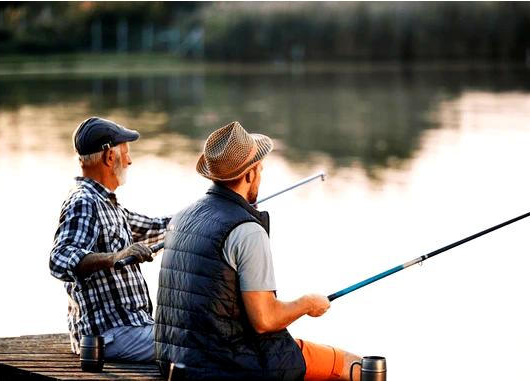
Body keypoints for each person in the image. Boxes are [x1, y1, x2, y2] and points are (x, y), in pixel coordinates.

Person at [155, 121, 361, 380]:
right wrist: (308, 303)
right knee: (355, 367)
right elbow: (265, 320)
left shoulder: (182, 217)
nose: (261, 173)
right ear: (250, 174)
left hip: (176, 359)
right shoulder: (246, 230)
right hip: (226, 365)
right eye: (260, 168)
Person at [50, 117, 171, 362]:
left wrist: (207, 213)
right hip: (111, 335)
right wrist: (116, 257)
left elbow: (156, 227)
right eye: (126, 153)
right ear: (109, 157)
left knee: (196, 338)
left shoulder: (108, 205)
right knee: (200, 344)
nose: (129, 160)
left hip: (128, 329)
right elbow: (59, 259)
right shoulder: (84, 202)